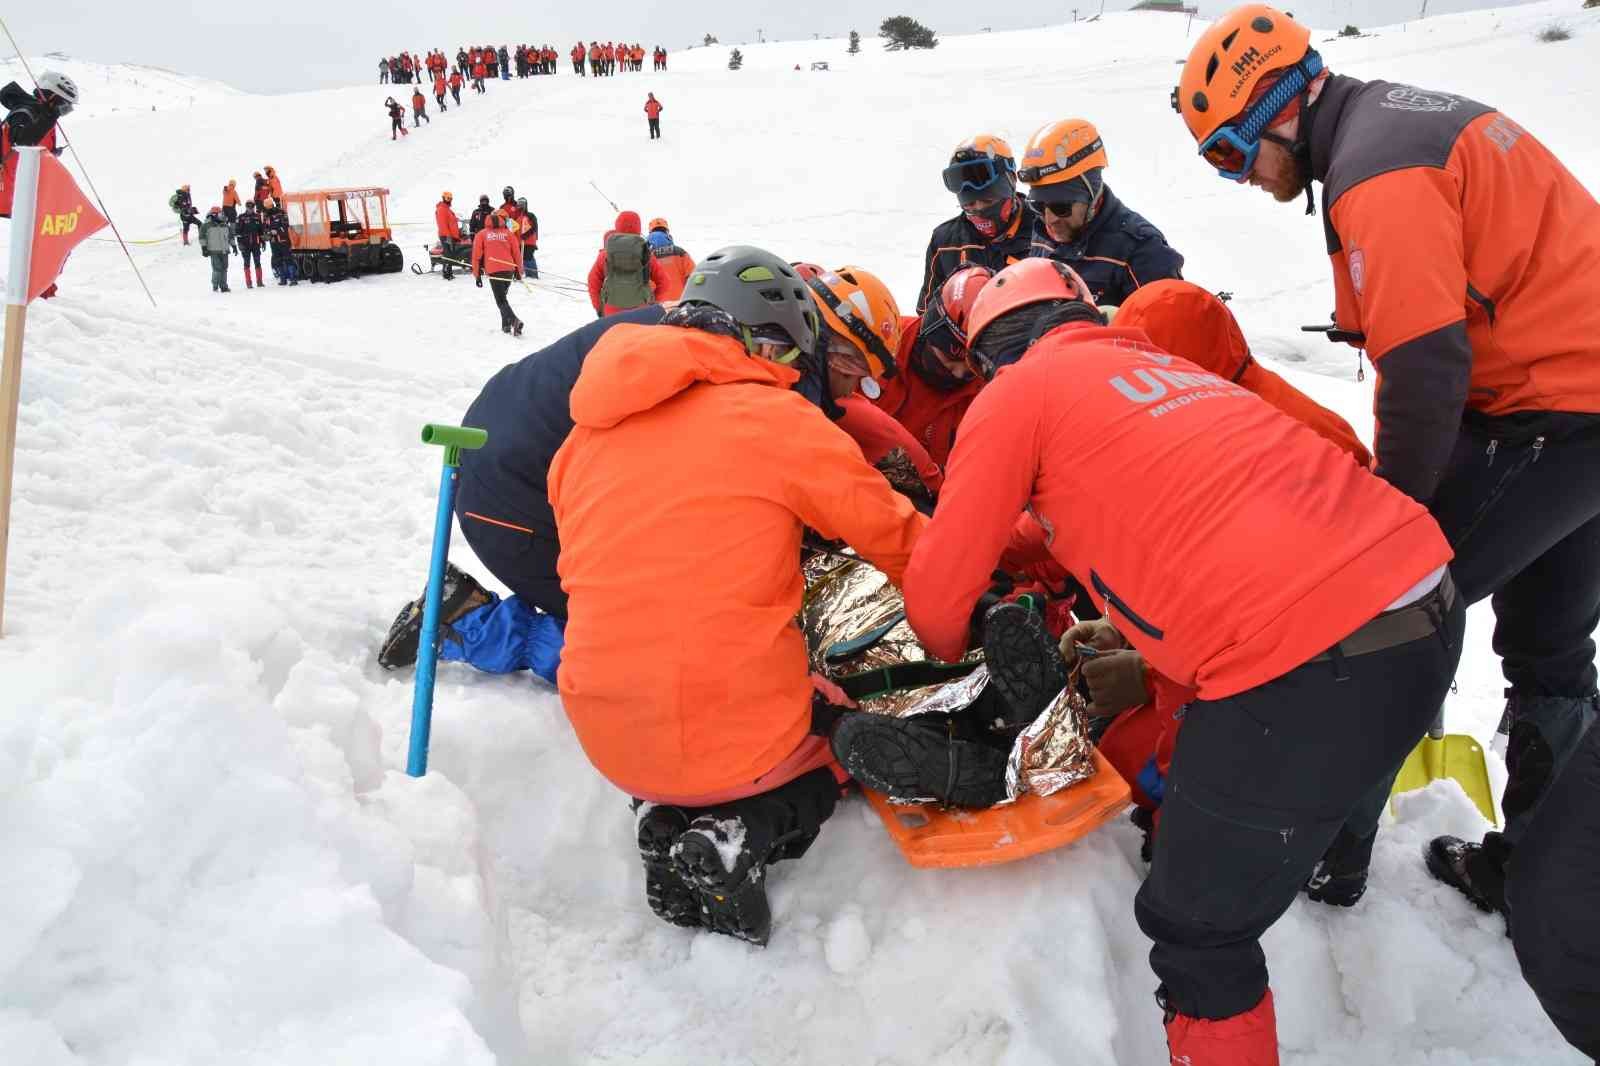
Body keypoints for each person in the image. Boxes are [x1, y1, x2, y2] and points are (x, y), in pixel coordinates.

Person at [897, 257, 1461, 1063]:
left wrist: (955, 643)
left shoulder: (1015, 395)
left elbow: (938, 598)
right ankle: (1330, 868)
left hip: (1307, 666)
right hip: (1427, 604)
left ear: (991, 356)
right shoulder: (1158, 366)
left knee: (1194, 930)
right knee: (1318, 752)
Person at [1174, 4, 1600, 933]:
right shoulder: (1404, 119)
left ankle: (1335, 857)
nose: (1241, 178)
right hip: (1574, 399)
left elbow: (1425, 371)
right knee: (1554, 654)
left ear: (1278, 109)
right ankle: (1547, 886)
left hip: (1551, 417)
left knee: (1383, 623)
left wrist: (1390, 531)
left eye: (1232, 153)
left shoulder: (1379, 171)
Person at [547, 246, 926, 945]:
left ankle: (667, 820)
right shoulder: (776, 420)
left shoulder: (581, 441)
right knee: (842, 730)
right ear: (768, 338)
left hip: (605, 734)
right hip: (733, 737)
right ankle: (742, 832)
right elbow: (907, 547)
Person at [1020, 118, 1184, 308]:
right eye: (1038, 206)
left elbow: (1166, 327)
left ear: (1092, 194)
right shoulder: (1042, 231)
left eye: (1061, 207)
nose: (1049, 219)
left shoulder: (1140, 250)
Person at [917, 135, 1039, 313]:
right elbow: (926, 315)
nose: (980, 210)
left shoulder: (1045, 229)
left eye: (989, 201)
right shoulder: (945, 242)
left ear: (1012, 181)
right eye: (970, 206)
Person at [587, 210, 671, 317]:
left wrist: (599, 307)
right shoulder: (646, 254)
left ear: (617, 226)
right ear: (638, 228)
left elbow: (593, 281)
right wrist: (653, 303)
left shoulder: (605, 254)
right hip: (641, 312)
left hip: (611, 312)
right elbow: (664, 282)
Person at [471, 211, 523, 336]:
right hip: (509, 270)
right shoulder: (508, 234)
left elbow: (476, 256)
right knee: (503, 298)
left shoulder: (481, 234)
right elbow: (517, 254)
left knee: (500, 301)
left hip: (494, 271)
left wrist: (477, 274)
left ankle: (514, 321)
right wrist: (518, 271)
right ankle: (505, 326)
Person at [645, 218, 694, 300]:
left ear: (650, 233)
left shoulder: (646, 257)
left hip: (656, 307)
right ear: (667, 232)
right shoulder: (680, 253)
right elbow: (694, 277)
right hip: (679, 304)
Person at [262, 196, 297, 286]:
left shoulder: (281, 212)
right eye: (267, 207)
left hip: (283, 240)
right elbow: (265, 227)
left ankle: (293, 279)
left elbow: (286, 225)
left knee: (288, 259)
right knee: (278, 260)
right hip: (273, 242)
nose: (268, 208)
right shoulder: (266, 216)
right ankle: (283, 279)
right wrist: (267, 234)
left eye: (269, 206)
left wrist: (277, 231)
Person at [199, 206, 233, 293]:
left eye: (222, 214)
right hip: (214, 251)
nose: (222, 215)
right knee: (217, 269)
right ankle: (215, 285)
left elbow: (230, 236)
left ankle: (224, 286)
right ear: (214, 214)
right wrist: (204, 248)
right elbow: (202, 237)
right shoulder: (206, 225)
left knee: (224, 268)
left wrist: (234, 246)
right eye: (220, 214)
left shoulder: (225, 224)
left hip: (224, 250)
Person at [234, 200, 265, 290]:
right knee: (246, 263)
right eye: (249, 207)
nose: (250, 209)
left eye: (252, 207)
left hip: (256, 244)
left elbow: (261, 231)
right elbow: (237, 232)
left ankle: (259, 281)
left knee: (257, 262)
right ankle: (249, 283)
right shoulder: (241, 217)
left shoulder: (257, 217)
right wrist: (240, 244)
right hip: (245, 244)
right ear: (246, 207)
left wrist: (263, 242)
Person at [435, 191, 462, 280]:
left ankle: (449, 272)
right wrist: (448, 237)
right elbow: (442, 224)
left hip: (450, 236)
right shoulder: (442, 209)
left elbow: (450, 221)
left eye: (450, 198)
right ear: (443, 198)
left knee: (450, 254)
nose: (449, 200)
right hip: (446, 236)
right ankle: (446, 274)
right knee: (448, 254)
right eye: (447, 198)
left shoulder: (447, 209)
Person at [515, 197, 539, 278]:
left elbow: (534, 227)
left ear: (525, 205)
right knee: (523, 258)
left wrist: (526, 235)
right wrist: (505, 219)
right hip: (520, 242)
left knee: (528, 257)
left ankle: (533, 275)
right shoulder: (518, 218)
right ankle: (528, 274)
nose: (519, 206)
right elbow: (514, 229)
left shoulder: (530, 215)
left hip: (529, 241)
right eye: (518, 204)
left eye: (521, 204)